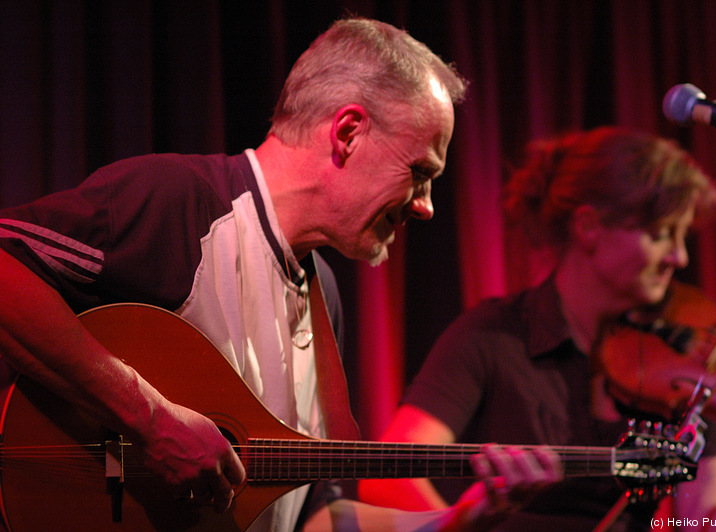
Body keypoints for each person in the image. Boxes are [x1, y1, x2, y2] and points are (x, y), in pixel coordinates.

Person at [0, 17, 563, 532]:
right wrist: (150, 420)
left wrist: (464, 519)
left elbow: (312, 517)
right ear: (347, 132)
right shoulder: (179, 204)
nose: (426, 206)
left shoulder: (325, 296)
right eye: (420, 172)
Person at [358, 126, 716, 531]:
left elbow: (706, 521)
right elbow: (388, 480)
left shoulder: (678, 368)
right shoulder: (492, 337)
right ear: (589, 227)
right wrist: (459, 522)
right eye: (664, 233)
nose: (679, 258)